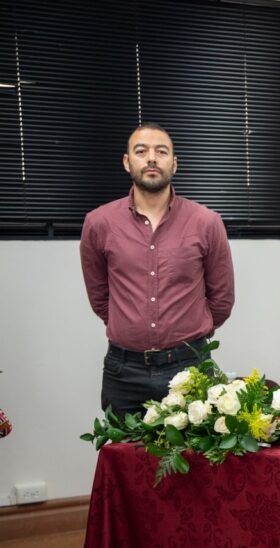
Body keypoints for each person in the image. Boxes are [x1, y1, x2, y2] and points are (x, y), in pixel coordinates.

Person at [80, 123, 235, 417]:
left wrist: (188, 338)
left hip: (190, 367)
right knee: (125, 459)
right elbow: (100, 296)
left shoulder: (206, 222)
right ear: (128, 162)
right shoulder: (99, 223)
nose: (151, 158)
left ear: (174, 163)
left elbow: (222, 299)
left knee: (195, 462)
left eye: (161, 152)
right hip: (123, 372)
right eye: (141, 151)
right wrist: (130, 327)